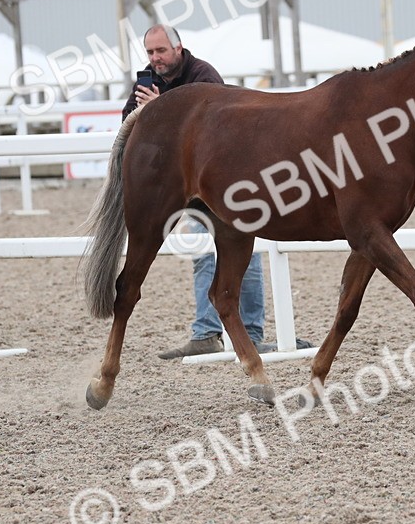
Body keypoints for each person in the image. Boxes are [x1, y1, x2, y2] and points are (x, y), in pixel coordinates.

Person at [121, 25, 311, 358]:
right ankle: (209, 332)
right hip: (178, 184)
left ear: (178, 48)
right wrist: (147, 111)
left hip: (218, 183)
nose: (155, 58)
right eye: (150, 52)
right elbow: (129, 125)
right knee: (204, 255)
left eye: (161, 51)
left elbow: (220, 127)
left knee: (242, 255)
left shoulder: (204, 75)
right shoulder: (146, 82)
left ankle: (243, 333)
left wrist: (160, 106)